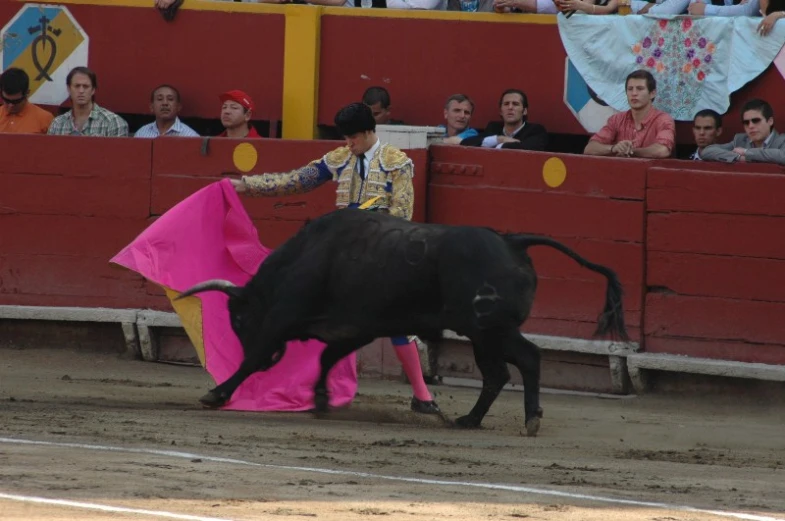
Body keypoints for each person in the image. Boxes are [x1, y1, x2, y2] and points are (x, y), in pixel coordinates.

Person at [230, 102, 440, 415]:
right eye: (345, 137)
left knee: (398, 321)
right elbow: (298, 180)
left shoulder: (397, 162)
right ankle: (303, 386)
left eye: (354, 137)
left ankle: (422, 396)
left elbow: (402, 213)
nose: (348, 143)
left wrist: (362, 216)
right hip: (342, 258)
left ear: (370, 132)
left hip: (382, 253)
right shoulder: (339, 158)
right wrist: (248, 186)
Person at [583, 70, 674, 158]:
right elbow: (590, 148)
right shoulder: (616, 119)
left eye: (640, 89)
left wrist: (630, 151)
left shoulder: (663, 119)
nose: (634, 93)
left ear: (652, 93)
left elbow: (662, 150)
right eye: (630, 89)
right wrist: (614, 148)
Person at [47, 66, 129, 137]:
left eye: (85, 86)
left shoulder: (113, 122)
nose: (81, 90)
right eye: (77, 86)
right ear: (69, 89)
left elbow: (117, 154)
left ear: (93, 90)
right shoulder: (57, 124)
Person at [701, 98, 785, 165]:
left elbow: (782, 156)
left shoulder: (782, 140)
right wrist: (739, 158)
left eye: (756, 120)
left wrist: (746, 152)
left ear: (770, 121)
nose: (750, 126)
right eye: (746, 122)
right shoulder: (741, 140)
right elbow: (707, 151)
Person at [0, 67, 53, 134]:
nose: (11, 105)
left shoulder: (45, 119)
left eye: (16, 101)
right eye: (6, 100)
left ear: (27, 93)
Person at [134, 84, 199, 138]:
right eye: (160, 99)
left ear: (178, 107)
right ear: (152, 107)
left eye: (170, 99)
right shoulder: (141, 133)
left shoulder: (190, 136)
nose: (165, 103)